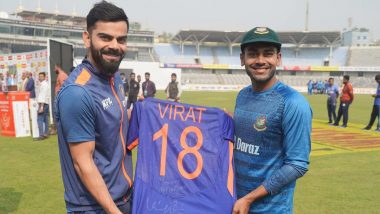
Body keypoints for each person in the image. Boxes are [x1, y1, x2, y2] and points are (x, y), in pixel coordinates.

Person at [55, 1, 132, 213]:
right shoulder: (77, 93)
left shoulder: (113, 77)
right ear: (87, 38)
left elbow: (113, 120)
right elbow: (83, 163)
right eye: (105, 37)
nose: (115, 46)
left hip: (122, 198)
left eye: (121, 39)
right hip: (95, 208)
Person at [232, 27, 312, 214]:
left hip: (271, 209)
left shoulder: (293, 103)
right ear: (242, 59)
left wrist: (249, 198)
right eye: (253, 54)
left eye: (267, 54)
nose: (260, 61)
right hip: (237, 205)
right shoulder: (242, 96)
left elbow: (297, 164)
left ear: (278, 58)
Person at [36, 72, 50, 140]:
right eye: (39, 76)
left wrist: (41, 106)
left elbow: (43, 96)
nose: (40, 77)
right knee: (46, 119)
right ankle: (46, 133)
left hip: (43, 104)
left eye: (41, 76)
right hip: (46, 104)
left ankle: (41, 135)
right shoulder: (44, 84)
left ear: (44, 77)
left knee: (39, 119)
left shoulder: (44, 85)